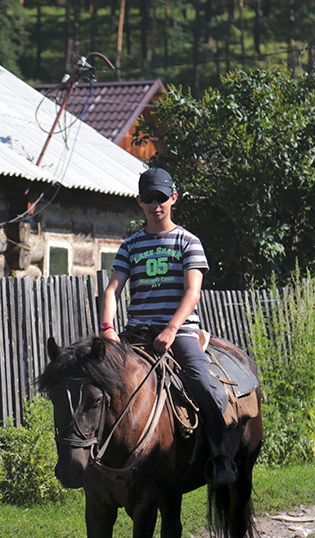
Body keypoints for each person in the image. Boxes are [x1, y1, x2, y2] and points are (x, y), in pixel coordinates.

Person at [99, 167, 237, 485]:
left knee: (201, 382)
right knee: (98, 383)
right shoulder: (130, 246)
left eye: (161, 197)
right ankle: (101, 459)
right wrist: (108, 329)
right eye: (148, 198)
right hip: (135, 333)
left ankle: (220, 457)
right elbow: (112, 290)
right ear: (139, 201)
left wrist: (172, 328)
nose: (155, 204)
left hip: (180, 332)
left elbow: (193, 291)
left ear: (173, 198)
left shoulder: (188, 242)